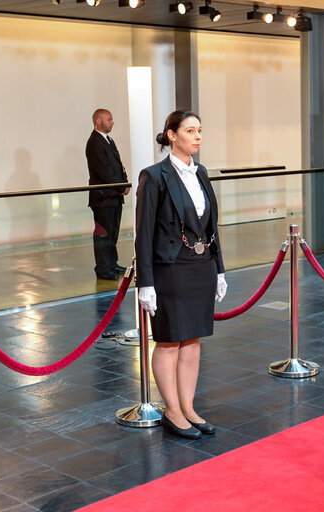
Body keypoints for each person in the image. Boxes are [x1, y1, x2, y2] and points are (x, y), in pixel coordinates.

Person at [135, 110, 227, 439]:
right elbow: (143, 233)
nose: (198, 136)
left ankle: (188, 408)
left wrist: (219, 270)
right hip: (170, 270)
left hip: (200, 267)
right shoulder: (154, 176)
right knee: (170, 341)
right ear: (172, 135)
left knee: (193, 340)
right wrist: (145, 283)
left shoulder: (201, 173)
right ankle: (172, 412)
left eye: (200, 130)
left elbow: (211, 227)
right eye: (190, 130)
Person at [86, 109, 130, 280]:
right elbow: (104, 171)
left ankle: (112, 263)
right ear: (98, 121)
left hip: (113, 196)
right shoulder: (94, 143)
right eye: (109, 119)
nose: (112, 122)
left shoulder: (108, 140)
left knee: (113, 232)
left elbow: (119, 166)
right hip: (103, 198)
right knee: (103, 233)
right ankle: (103, 268)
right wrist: (121, 187)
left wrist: (124, 183)